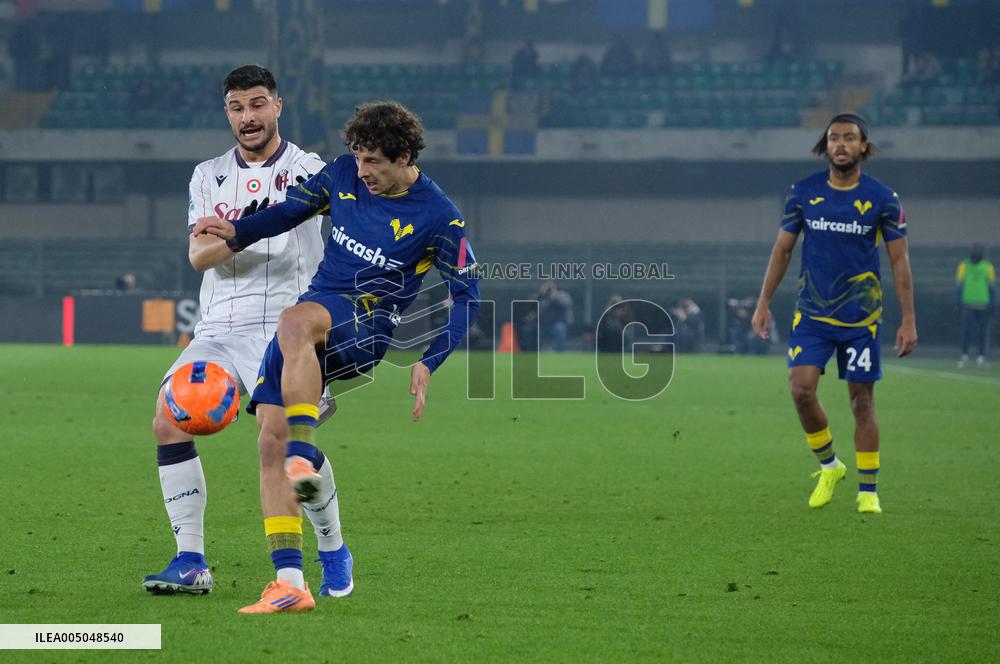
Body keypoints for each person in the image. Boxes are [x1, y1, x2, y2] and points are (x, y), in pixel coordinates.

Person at [193, 100, 481, 613]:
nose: (363, 171)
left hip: (366, 328)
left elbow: (467, 297)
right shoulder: (343, 174)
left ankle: (303, 452)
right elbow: (288, 211)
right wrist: (236, 232)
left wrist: (428, 361)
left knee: (292, 321)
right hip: (313, 327)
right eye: (359, 158)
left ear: (406, 156)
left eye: (376, 162)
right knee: (269, 446)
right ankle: (297, 577)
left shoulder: (441, 218)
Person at [143, 65, 341, 597]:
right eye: (237, 107)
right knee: (169, 416)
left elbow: (220, 245)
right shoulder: (207, 174)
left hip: (287, 328)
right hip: (219, 326)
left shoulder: (311, 169)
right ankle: (190, 562)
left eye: (257, 105)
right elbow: (198, 255)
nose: (248, 117)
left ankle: (330, 545)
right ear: (227, 112)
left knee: (280, 444)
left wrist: (234, 230)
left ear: (278, 106)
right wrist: (260, 228)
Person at [751, 113, 917, 515]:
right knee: (800, 390)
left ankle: (868, 491)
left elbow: (899, 261)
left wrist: (908, 319)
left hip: (861, 319)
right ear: (825, 147)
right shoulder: (803, 192)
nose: (840, 144)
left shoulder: (884, 199)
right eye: (833, 138)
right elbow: (783, 250)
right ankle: (830, 465)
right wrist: (763, 303)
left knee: (862, 402)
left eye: (849, 138)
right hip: (812, 314)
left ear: (864, 146)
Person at [956, 243, 995, 367]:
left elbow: (992, 287)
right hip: (968, 304)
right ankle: (964, 355)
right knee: (966, 332)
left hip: (983, 304)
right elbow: (959, 285)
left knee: (982, 332)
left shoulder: (988, 267)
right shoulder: (963, 266)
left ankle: (981, 356)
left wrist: (993, 304)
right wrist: (958, 302)